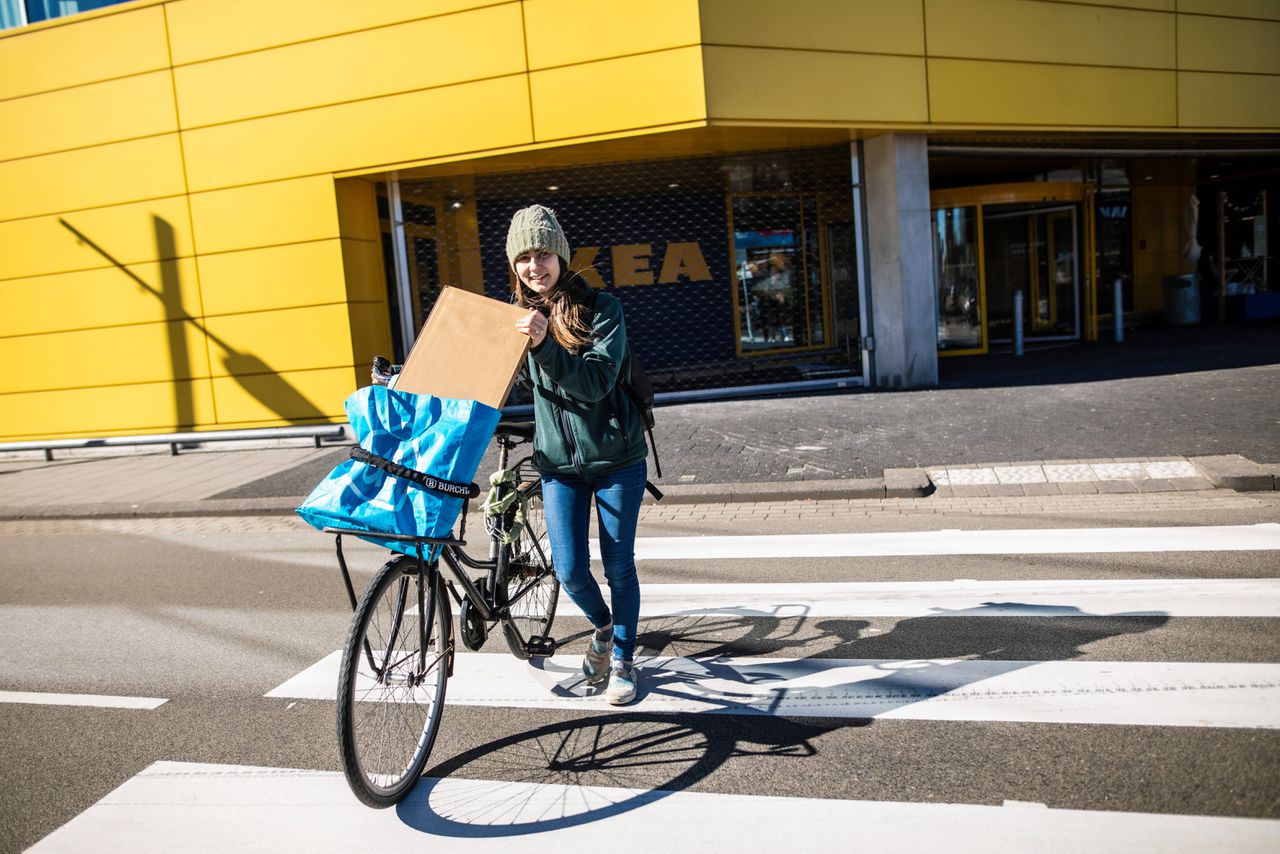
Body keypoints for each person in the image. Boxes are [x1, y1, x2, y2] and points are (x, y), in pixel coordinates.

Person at [508, 204, 648, 705]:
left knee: (618, 567)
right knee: (567, 568)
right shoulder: (518, 320)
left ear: (561, 256)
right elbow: (494, 384)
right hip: (558, 466)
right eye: (523, 256)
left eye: (542, 253)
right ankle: (606, 629)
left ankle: (625, 660)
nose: (534, 266)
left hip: (616, 459)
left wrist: (545, 346)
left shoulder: (602, 310)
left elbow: (593, 383)